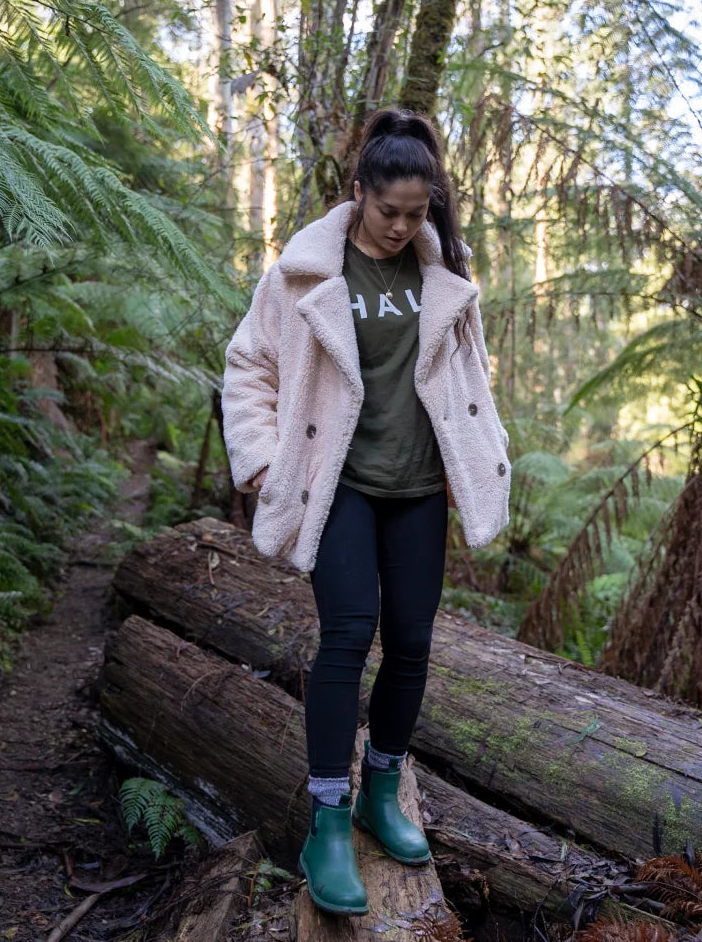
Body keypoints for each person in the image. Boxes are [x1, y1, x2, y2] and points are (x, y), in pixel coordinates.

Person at [221, 108, 511, 916]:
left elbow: (472, 379)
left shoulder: (444, 273)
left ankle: (382, 792)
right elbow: (247, 366)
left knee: (413, 643)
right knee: (349, 634)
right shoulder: (303, 273)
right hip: (338, 483)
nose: (401, 226)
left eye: (417, 213)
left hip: (419, 487)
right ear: (358, 195)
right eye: (389, 211)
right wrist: (263, 458)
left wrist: (482, 457)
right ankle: (328, 820)